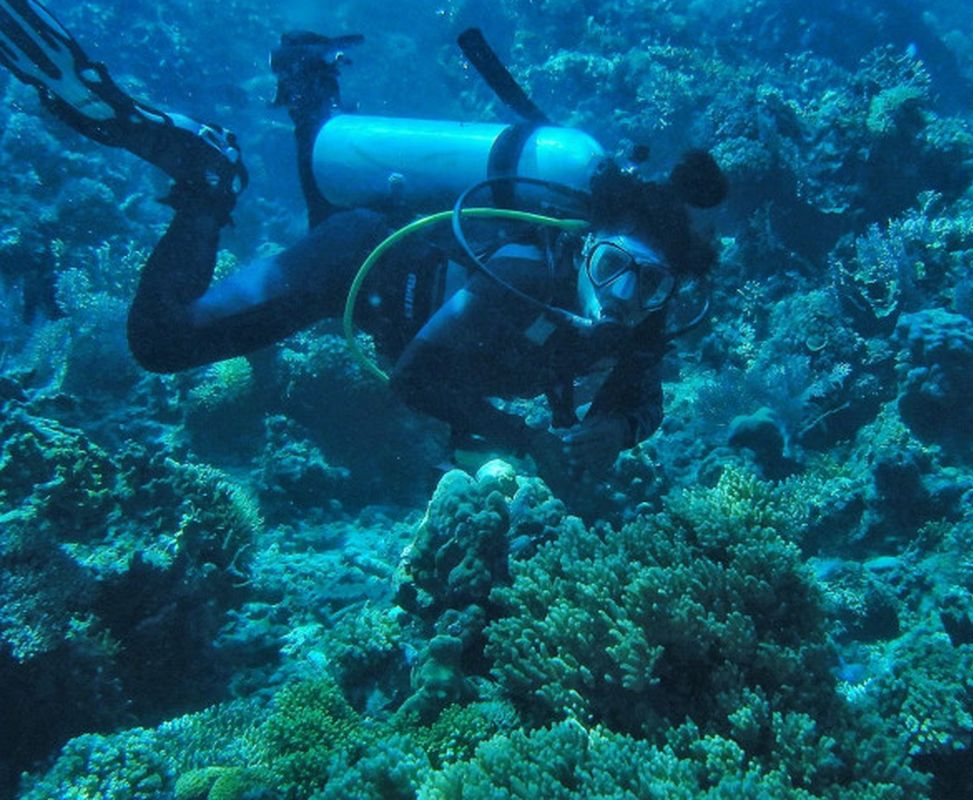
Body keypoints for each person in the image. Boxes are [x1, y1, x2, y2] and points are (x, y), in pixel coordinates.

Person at [0, 1, 727, 476]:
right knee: (164, 342)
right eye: (612, 267)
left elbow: (641, 392)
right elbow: (415, 376)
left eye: (648, 283)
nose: (621, 298)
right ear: (587, 243)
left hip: (386, 283)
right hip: (354, 264)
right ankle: (208, 181)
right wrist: (525, 438)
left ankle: (309, 77)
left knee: (319, 155)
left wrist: (615, 431)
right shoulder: (526, 269)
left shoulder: (641, 317)